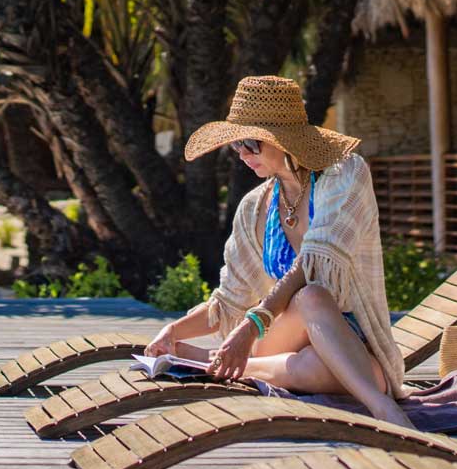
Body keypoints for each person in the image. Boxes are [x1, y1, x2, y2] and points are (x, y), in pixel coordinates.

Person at [145, 74, 409, 425]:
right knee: (311, 299)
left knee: (317, 316)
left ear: (283, 140)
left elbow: (317, 258)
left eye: (250, 143)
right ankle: (383, 410)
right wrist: (173, 332)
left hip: (348, 340)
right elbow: (229, 300)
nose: (242, 154)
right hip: (280, 337)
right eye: (236, 145)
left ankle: (217, 363)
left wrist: (253, 324)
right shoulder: (255, 209)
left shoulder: (345, 174)